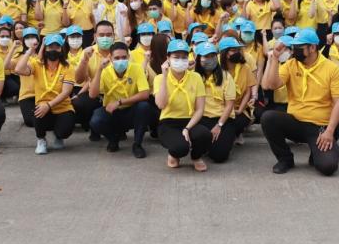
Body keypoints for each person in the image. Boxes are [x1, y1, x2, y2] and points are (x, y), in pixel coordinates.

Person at [258, 28, 339, 176]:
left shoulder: (331, 69)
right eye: (294, 46)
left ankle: (317, 152)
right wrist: (275, 59)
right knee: (268, 118)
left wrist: (329, 131)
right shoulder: (291, 64)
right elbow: (272, 85)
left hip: (320, 126)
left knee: (327, 166)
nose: (295, 50)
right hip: (296, 121)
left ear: (312, 48)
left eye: (299, 47)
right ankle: (285, 159)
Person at [87, 39, 153, 158]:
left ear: (128, 57)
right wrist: (99, 70)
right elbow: (92, 94)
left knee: (144, 107)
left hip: (131, 110)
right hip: (112, 112)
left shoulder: (137, 69)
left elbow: (145, 94)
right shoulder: (105, 71)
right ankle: (113, 139)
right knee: (95, 121)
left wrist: (120, 102)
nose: (120, 61)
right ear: (110, 58)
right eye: (117, 58)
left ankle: (137, 144)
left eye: (124, 57)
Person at [154, 39, 210, 171]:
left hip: (190, 120)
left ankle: (196, 157)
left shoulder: (196, 77)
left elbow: (200, 109)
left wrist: (187, 128)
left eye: (184, 57)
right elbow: (161, 104)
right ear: (168, 58)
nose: (180, 60)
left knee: (205, 135)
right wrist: (164, 76)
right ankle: (173, 154)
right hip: (168, 122)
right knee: (180, 148)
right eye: (176, 57)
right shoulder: (159, 78)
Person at [15, 33, 76, 154]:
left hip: (62, 107)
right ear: (45, 49)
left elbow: (66, 92)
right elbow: (18, 69)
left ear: (61, 49)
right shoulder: (37, 64)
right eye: (50, 47)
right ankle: (41, 139)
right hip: (42, 106)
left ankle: (58, 136)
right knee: (37, 112)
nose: (53, 50)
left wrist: (49, 105)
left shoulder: (67, 67)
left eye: (57, 47)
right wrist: (30, 50)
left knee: (65, 130)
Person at [194, 42, 241, 167]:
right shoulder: (193, 77)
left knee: (219, 156)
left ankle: (220, 141)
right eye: (206, 56)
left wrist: (219, 125)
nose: (210, 59)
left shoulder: (226, 76)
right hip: (200, 118)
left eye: (212, 56)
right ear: (198, 58)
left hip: (222, 120)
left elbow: (229, 105)